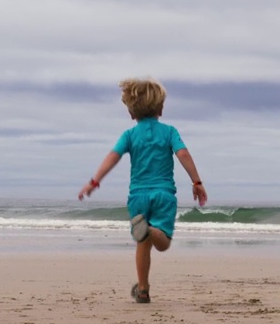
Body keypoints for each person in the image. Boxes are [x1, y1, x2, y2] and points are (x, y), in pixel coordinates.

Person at [78, 78, 207, 303]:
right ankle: (150, 231)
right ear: (161, 108)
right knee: (162, 241)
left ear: (131, 114)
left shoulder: (129, 135)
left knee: (142, 245)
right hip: (163, 195)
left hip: (138, 196)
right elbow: (183, 154)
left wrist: (94, 181)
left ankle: (143, 289)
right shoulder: (169, 132)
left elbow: (113, 157)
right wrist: (196, 182)